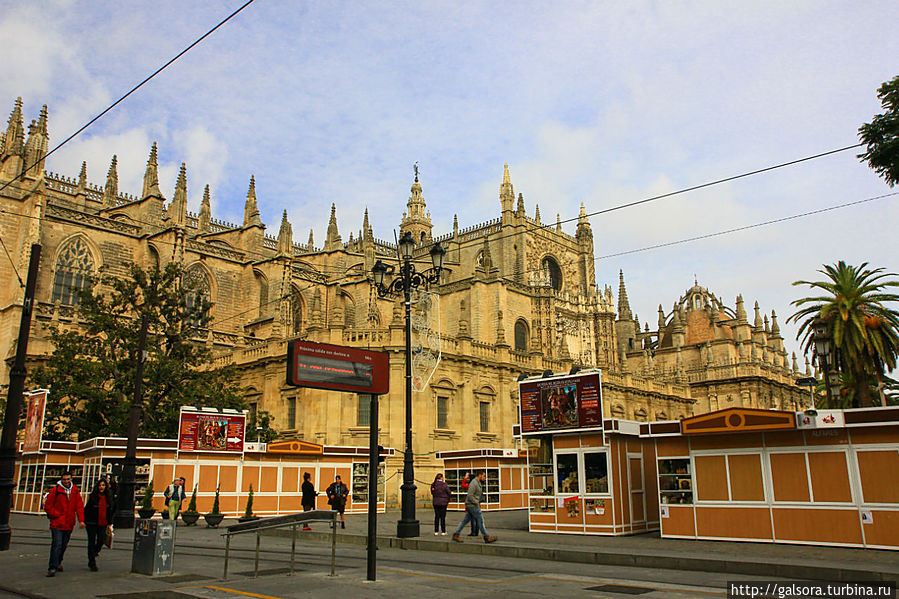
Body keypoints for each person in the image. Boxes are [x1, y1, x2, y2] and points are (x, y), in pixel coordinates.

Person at [43, 470, 85, 577]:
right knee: (57, 544)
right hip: (57, 523)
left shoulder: (75, 491)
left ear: (71, 479)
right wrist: (57, 514)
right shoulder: (55, 490)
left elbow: (79, 506)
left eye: (68, 479)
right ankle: (52, 566)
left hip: (69, 523)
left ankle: (58, 562)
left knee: (63, 545)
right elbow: (48, 506)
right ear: (62, 480)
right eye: (64, 479)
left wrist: (81, 520)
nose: (66, 481)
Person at [451, 471, 496, 544]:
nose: (485, 478)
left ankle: (456, 534)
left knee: (465, 521)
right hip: (472, 505)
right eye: (484, 476)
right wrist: (476, 502)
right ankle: (486, 537)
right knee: (480, 520)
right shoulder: (474, 483)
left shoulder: (477, 483)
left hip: (471, 505)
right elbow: (470, 495)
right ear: (480, 475)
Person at [83, 478, 115, 572]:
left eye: (103, 485)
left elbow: (110, 511)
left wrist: (110, 523)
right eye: (100, 485)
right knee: (91, 542)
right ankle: (92, 562)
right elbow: (87, 509)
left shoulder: (108, 497)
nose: (101, 487)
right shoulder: (93, 497)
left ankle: (94, 552)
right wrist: (84, 520)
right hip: (92, 522)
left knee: (101, 540)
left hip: (103, 522)